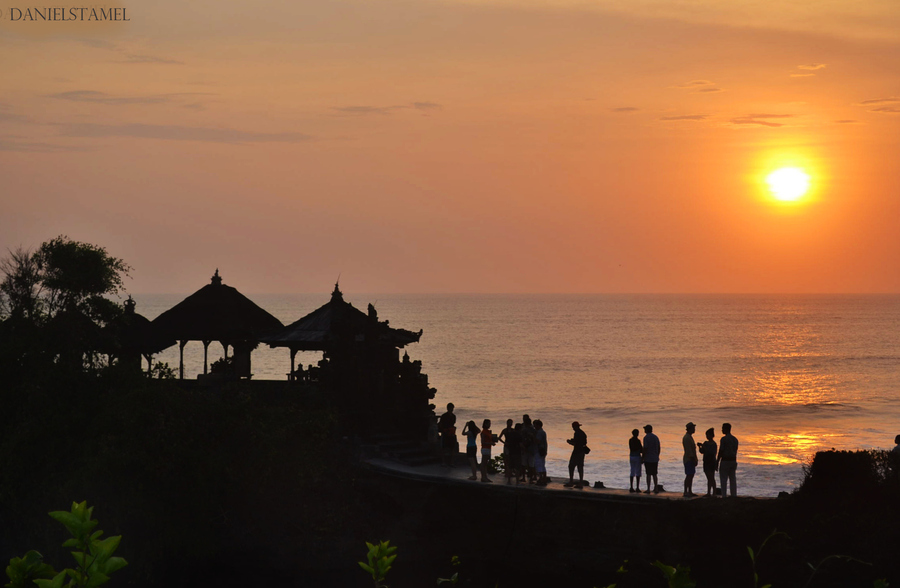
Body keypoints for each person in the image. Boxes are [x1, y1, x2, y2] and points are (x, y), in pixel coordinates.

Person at [717, 422, 739, 497]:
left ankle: (724, 495)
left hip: (725, 461)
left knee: (723, 479)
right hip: (733, 461)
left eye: (723, 428)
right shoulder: (735, 439)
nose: (722, 430)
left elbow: (721, 451)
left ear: (726, 429)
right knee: (732, 479)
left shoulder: (724, 439)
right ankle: (734, 495)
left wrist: (717, 461)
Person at [565, 421, 587, 488]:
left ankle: (571, 482)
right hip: (582, 452)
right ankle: (580, 482)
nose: (573, 428)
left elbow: (575, 443)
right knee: (580, 467)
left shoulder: (577, 433)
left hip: (577, 452)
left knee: (571, 466)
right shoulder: (583, 433)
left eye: (573, 427)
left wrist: (569, 442)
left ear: (575, 427)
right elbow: (584, 442)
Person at [698, 427, 718, 497]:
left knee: (711, 477)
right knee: (709, 478)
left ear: (712, 435)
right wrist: (700, 447)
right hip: (706, 462)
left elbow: (712, 453)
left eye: (708, 435)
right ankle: (709, 492)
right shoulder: (705, 443)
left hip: (711, 462)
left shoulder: (714, 444)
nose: (707, 436)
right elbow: (702, 452)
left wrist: (703, 447)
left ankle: (714, 493)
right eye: (706, 435)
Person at [643, 424, 661, 494]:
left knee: (648, 474)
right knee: (654, 474)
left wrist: (643, 457)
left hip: (648, 458)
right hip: (655, 458)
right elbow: (659, 447)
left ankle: (648, 489)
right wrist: (657, 455)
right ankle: (656, 488)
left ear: (647, 430)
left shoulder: (646, 438)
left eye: (645, 429)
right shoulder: (656, 437)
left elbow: (645, 448)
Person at [682, 422, 698, 498]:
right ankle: (686, 491)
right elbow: (689, 451)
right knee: (689, 475)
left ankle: (689, 491)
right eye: (693, 428)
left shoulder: (689, 437)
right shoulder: (687, 438)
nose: (694, 429)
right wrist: (694, 459)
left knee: (691, 475)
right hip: (689, 459)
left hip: (690, 459)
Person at [498, 419, 516, 485]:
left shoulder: (513, 430)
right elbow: (499, 437)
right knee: (506, 459)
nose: (510, 424)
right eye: (509, 423)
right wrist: (504, 442)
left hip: (511, 446)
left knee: (510, 459)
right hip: (506, 446)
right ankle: (506, 473)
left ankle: (509, 473)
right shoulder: (505, 430)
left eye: (511, 423)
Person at [521, 415, 537, 483]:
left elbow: (521, 439)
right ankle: (530, 478)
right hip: (530, 449)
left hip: (527, 449)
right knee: (530, 465)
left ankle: (525, 478)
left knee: (525, 464)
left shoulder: (524, 429)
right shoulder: (533, 430)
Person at [534, 419, 549, 486]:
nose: (534, 427)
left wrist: (532, 437)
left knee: (539, 465)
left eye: (535, 425)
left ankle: (541, 479)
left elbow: (538, 441)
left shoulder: (539, 432)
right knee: (542, 465)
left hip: (539, 451)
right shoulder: (542, 432)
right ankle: (543, 479)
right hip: (542, 450)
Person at [628, 429, 643, 493]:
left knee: (632, 471)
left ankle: (631, 487)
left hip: (631, 456)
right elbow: (641, 449)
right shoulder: (638, 441)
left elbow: (631, 448)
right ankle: (637, 487)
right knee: (638, 472)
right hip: (637, 456)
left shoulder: (630, 440)